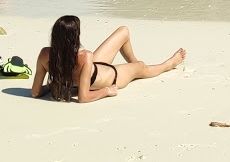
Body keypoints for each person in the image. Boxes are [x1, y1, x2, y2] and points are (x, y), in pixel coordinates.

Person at [31, 15, 185, 104]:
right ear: (74, 38)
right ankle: (168, 64)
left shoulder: (45, 54)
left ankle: (134, 65)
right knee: (142, 66)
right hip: (111, 77)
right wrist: (107, 90)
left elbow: (35, 92)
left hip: (92, 69)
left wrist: (52, 86)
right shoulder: (85, 56)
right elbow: (84, 98)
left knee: (123, 31)